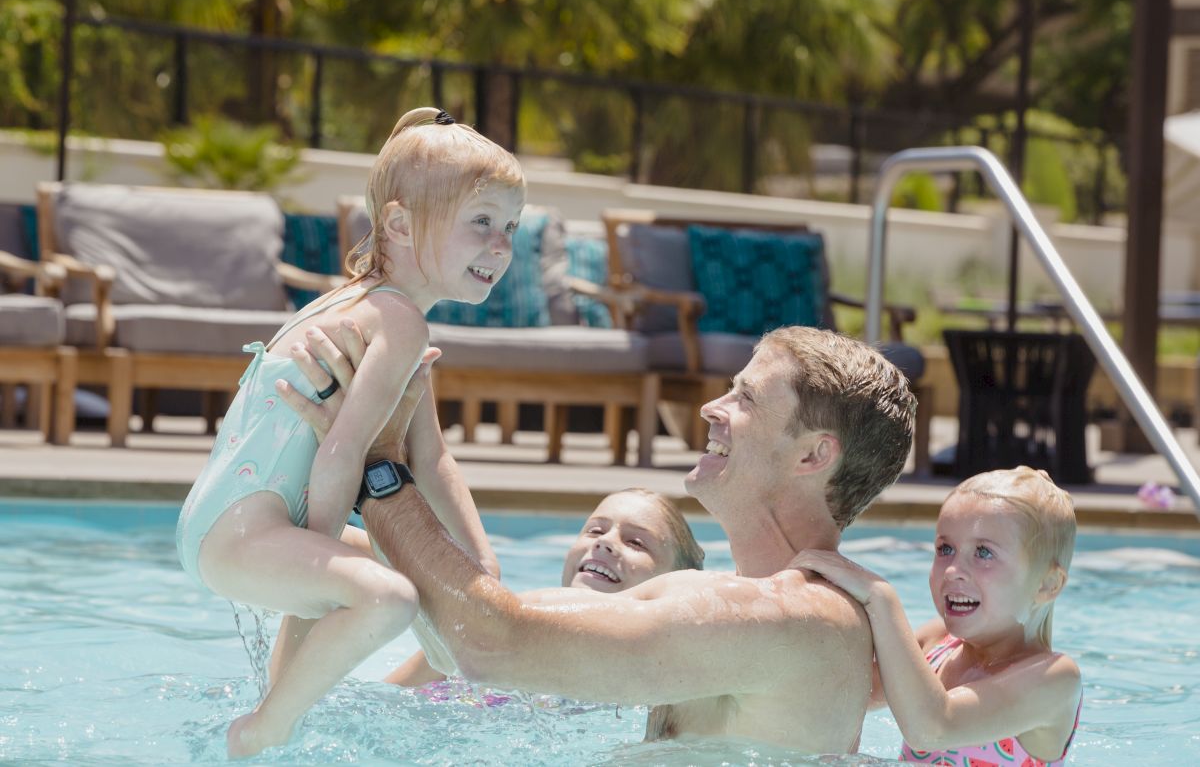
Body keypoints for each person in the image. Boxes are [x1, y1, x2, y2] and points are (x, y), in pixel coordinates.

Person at [280, 324, 916, 754]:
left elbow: (488, 643)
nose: (711, 408)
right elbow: (488, 617)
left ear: (813, 456)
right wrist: (399, 433)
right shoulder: (736, 600)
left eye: (744, 397)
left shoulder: (793, 617)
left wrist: (376, 468)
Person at [175, 106, 524, 758]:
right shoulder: (396, 321)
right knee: (387, 600)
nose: (501, 245)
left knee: (447, 604)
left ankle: (286, 706)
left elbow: (431, 453)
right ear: (398, 223)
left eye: (510, 227)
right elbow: (339, 458)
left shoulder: (377, 309)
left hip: (230, 522)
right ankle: (265, 728)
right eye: (481, 222)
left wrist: (484, 562)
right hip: (243, 531)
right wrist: (323, 557)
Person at [792, 466, 1082, 765]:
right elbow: (844, 693)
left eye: (983, 553)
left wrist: (880, 597)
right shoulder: (937, 643)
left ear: (1047, 585)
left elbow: (933, 728)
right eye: (945, 549)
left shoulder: (1056, 679)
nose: (953, 570)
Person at [384, 487, 706, 689]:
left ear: (677, 578)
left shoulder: (668, 681)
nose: (606, 543)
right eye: (595, 530)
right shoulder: (497, 629)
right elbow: (388, 702)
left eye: (636, 542)